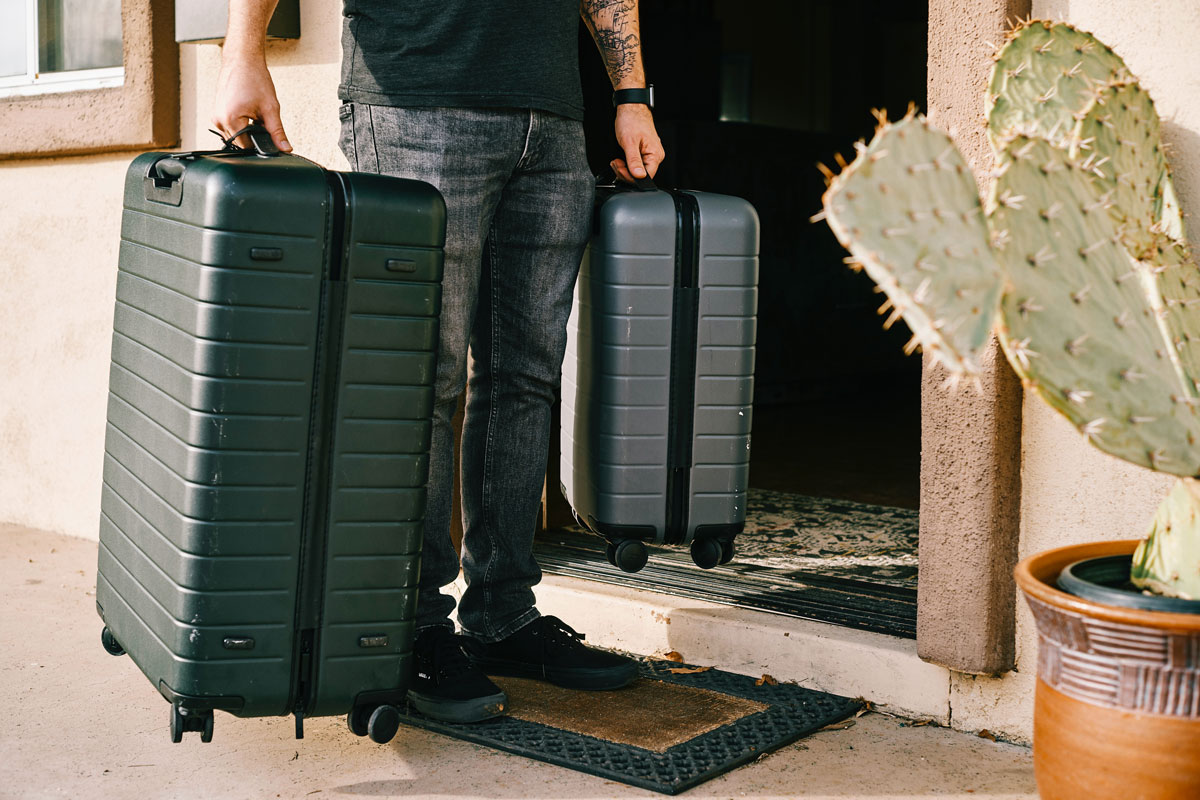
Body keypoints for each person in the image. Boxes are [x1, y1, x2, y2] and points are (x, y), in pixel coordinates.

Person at [213, 0, 665, 724]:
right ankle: (408, 628)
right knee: (422, 382)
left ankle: (503, 615)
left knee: (525, 380)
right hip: (415, 105)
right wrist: (242, 51)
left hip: (551, 120)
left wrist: (631, 96)